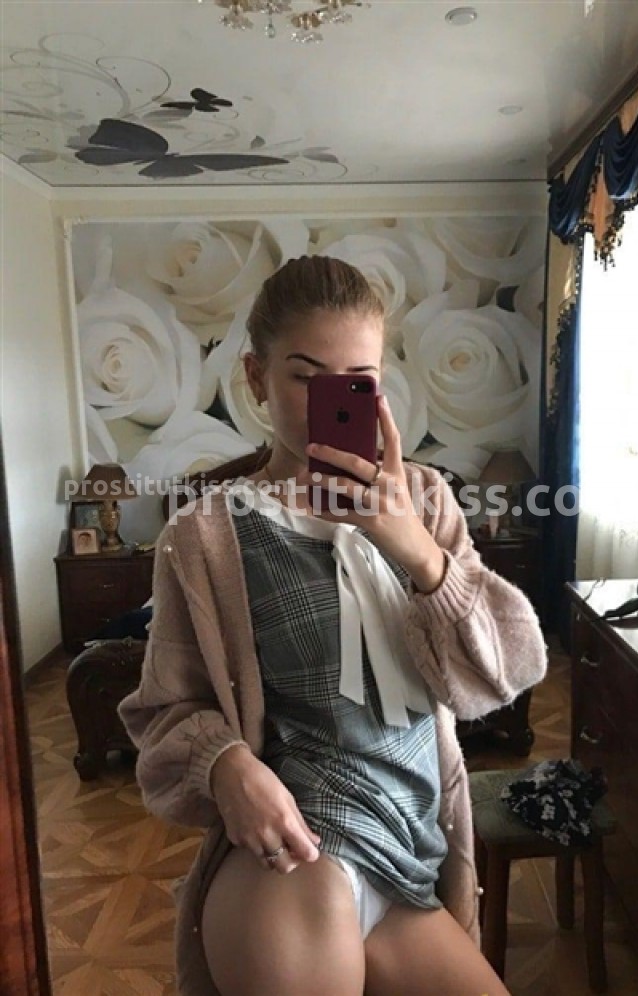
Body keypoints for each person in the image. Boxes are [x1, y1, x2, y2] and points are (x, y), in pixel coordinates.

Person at [119, 255, 548, 996]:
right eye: (305, 376)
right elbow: (163, 713)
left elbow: (505, 673)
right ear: (255, 377)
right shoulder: (206, 535)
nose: (332, 399)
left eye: (358, 379)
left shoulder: (426, 502)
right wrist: (224, 764)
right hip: (296, 857)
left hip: (413, 860)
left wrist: (417, 551)